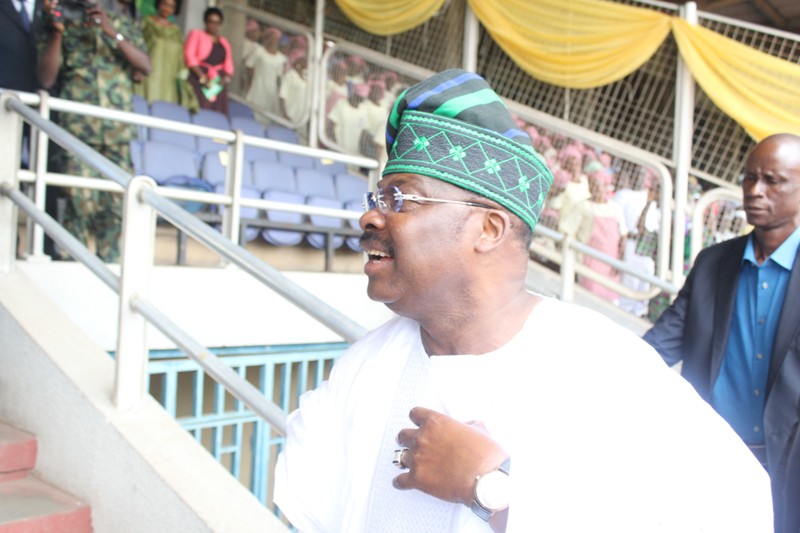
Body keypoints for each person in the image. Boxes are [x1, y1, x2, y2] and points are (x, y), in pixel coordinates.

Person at [273, 69, 772, 533]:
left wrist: (495, 490)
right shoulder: (362, 368)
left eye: (400, 199)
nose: (370, 217)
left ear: (489, 229)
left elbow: (735, 510)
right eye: (376, 199)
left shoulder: (608, 368)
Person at [644, 132, 800, 533]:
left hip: (789, 470)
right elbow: (657, 348)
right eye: (750, 177)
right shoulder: (713, 263)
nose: (754, 190)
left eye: (772, 181)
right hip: (711, 459)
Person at [38, 0, 150, 262]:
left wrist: (112, 32)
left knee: (115, 207)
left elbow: (145, 66)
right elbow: (46, 78)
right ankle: (72, 268)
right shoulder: (62, 21)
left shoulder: (122, 23)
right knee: (79, 203)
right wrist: (57, 32)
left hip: (117, 133)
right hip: (77, 131)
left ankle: (110, 267)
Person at [574, 169, 628, 303]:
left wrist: (620, 261)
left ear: (605, 187)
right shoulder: (584, 206)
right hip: (590, 261)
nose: (596, 190)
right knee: (589, 298)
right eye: (593, 185)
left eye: (599, 186)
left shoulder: (615, 207)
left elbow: (623, 235)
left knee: (609, 299)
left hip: (611, 262)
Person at [134, 0, 196, 111]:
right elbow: (137, 46)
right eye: (165, 4)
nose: (167, 8)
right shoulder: (147, 23)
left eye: (171, 6)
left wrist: (183, 82)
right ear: (158, 4)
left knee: (165, 111)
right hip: (149, 76)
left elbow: (180, 60)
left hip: (169, 81)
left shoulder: (176, 31)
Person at [184, 7, 233, 115]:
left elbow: (229, 67)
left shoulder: (224, 42)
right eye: (211, 22)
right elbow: (190, 56)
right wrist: (202, 78)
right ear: (205, 22)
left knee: (217, 113)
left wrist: (222, 82)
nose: (214, 25)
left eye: (217, 23)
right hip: (198, 79)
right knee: (198, 109)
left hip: (218, 84)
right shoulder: (196, 34)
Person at [244, 26, 285, 124]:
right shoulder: (259, 51)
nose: (273, 40)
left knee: (267, 115)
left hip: (270, 90)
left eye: (276, 38)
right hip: (257, 86)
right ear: (267, 38)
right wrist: (249, 83)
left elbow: (279, 77)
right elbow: (249, 66)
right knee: (253, 111)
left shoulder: (281, 58)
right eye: (271, 37)